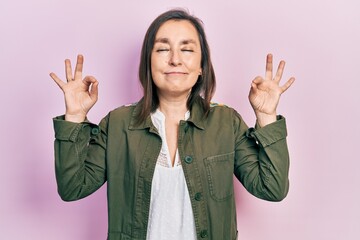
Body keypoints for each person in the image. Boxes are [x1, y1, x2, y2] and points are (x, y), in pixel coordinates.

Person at [50, 9, 295, 240]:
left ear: (201, 66)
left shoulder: (226, 122)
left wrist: (266, 116)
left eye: (187, 50)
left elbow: (271, 188)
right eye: (163, 49)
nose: (175, 59)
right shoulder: (117, 124)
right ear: (149, 62)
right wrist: (74, 116)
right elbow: (72, 188)